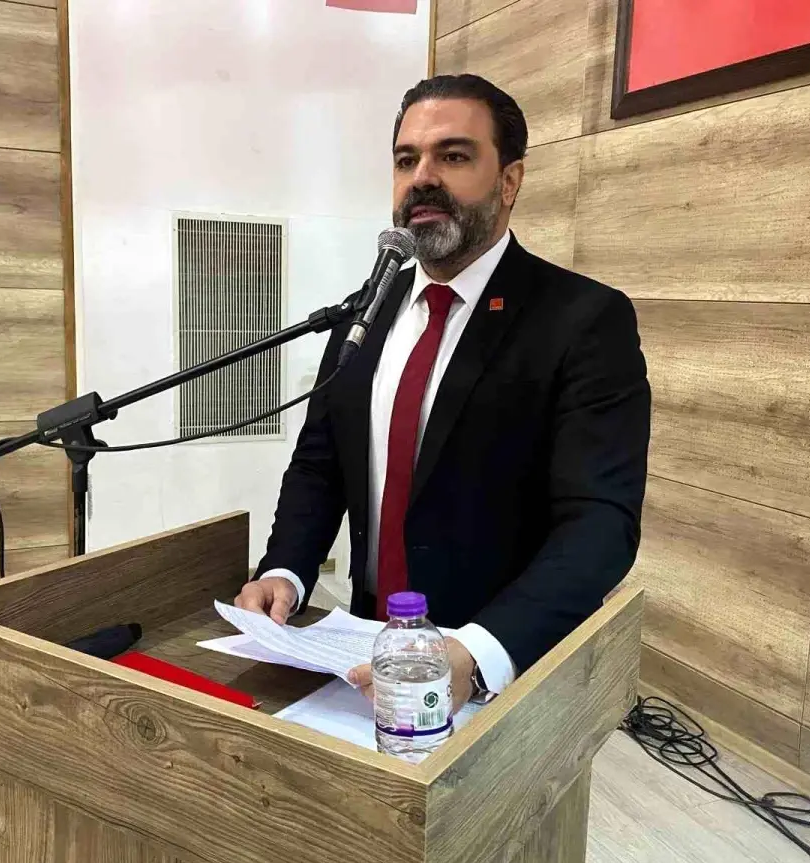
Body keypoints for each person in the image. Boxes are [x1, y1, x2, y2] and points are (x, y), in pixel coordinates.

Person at [235, 73, 651, 712]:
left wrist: (479, 652)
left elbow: (600, 523)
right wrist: (284, 570)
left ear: (509, 181)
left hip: (505, 666)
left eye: (453, 156)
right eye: (406, 160)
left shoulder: (582, 319)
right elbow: (321, 464)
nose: (422, 177)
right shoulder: (366, 311)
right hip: (368, 650)